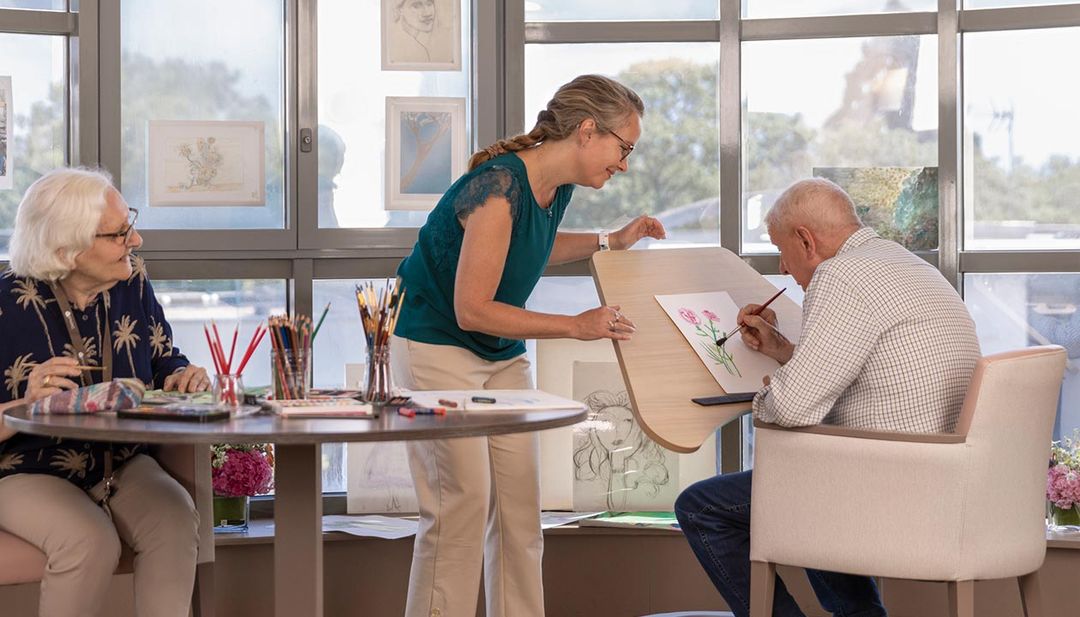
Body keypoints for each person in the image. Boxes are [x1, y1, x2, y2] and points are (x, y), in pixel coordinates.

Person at [391, 74, 666, 617]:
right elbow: (473, 308)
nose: (625, 164)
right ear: (588, 131)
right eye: (623, 148)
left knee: (520, 514)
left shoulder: (554, 187)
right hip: (437, 347)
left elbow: (534, 245)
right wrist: (576, 325)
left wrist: (611, 239)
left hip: (498, 353)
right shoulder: (498, 187)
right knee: (460, 507)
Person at [674, 178, 981, 617]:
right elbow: (861, 369)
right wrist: (781, 349)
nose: (783, 268)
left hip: (887, 490)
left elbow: (792, 408)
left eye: (782, 251)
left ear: (806, 240)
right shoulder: (905, 265)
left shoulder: (841, 275)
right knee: (816, 479)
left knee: (703, 507)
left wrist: (766, 397)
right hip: (941, 484)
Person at [0, 167, 209, 617]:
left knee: (174, 518)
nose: (136, 242)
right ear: (67, 249)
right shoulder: (6, 305)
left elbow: (161, 358)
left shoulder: (131, 283)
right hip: (25, 471)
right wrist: (25, 402)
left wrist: (183, 375)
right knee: (88, 539)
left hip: (122, 462)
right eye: (120, 234)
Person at [390, 0, 452, 64]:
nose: (427, 13)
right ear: (400, 9)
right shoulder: (391, 43)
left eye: (429, 4)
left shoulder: (446, 37)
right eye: (416, 6)